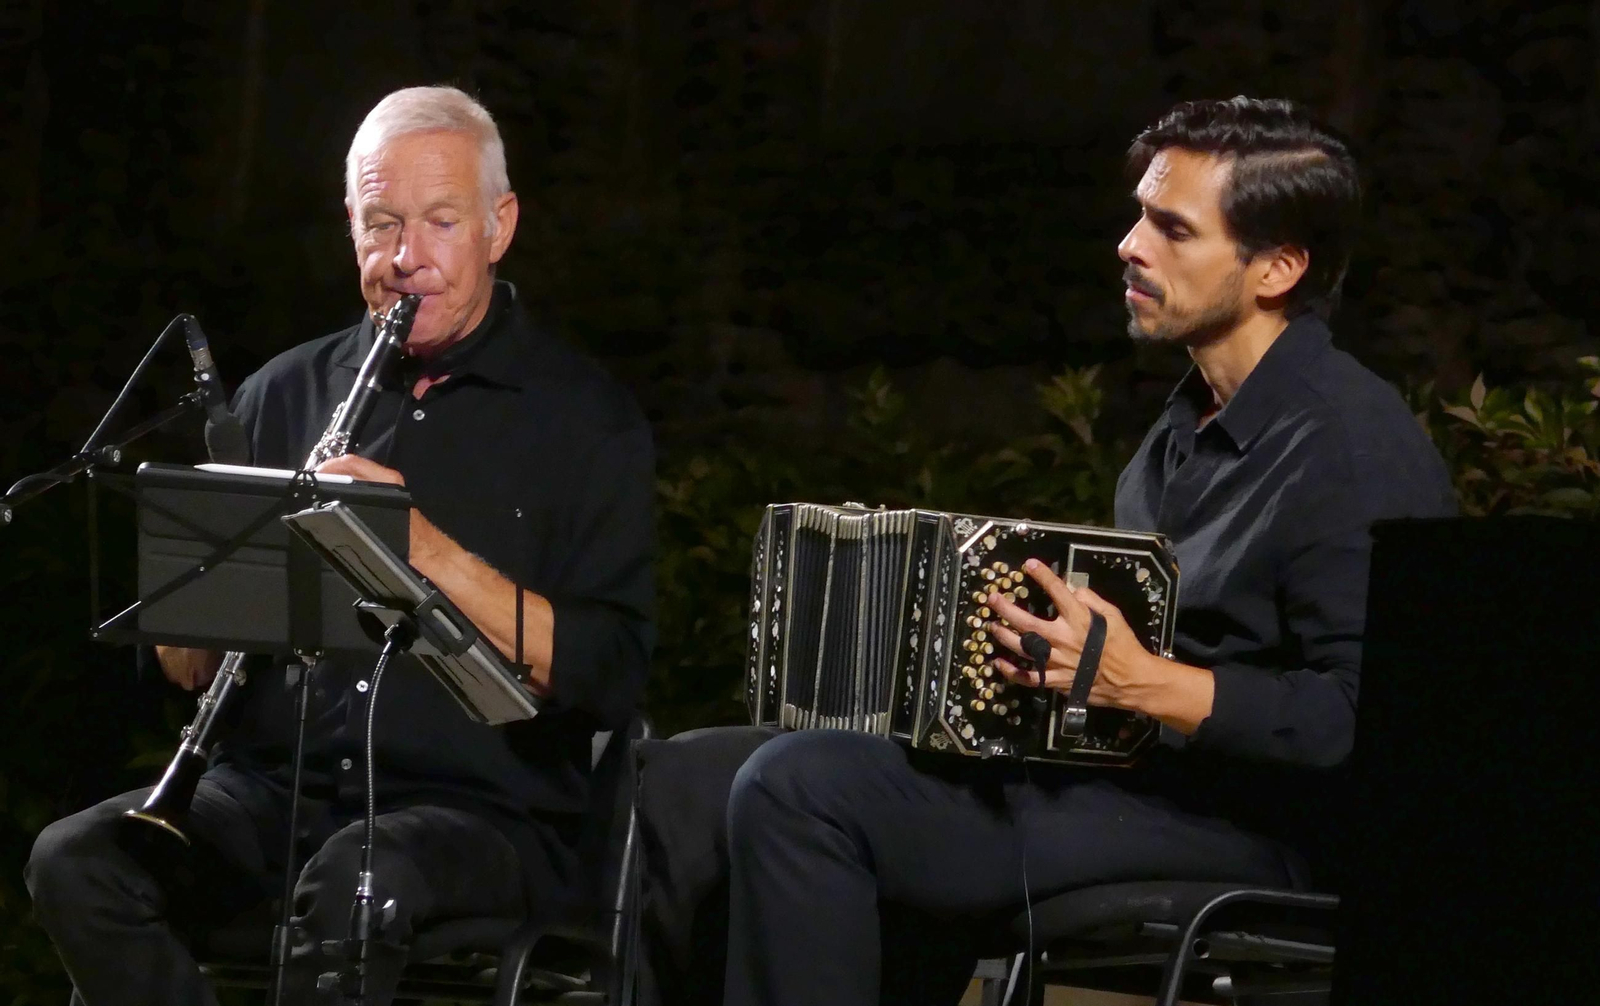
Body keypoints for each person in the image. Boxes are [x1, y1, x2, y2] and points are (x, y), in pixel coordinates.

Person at [718, 97, 1459, 1005]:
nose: (1128, 244)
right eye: (1140, 214)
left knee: (804, 790)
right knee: (701, 772)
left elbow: (1374, 723)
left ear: (1277, 268)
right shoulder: (1180, 430)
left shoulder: (1351, 443)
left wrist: (1138, 683)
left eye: (1172, 228)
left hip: (1261, 833)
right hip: (1130, 788)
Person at [24, 85, 655, 1006]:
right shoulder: (280, 395)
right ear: (350, 224)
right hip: (273, 797)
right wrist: (193, 608)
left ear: (499, 225)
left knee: (364, 878)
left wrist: (421, 548)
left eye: (441, 223)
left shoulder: (587, 421)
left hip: (482, 815)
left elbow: (611, 672)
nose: (407, 259)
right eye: (381, 224)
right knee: (77, 860)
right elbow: (188, 670)